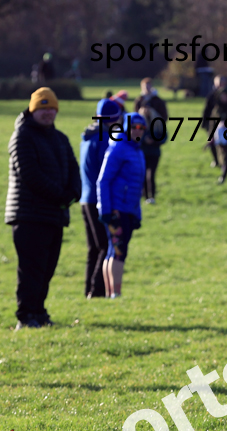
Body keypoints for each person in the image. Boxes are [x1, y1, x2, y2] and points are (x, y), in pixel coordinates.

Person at [6, 88, 81, 329]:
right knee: (31, 269)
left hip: (54, 214)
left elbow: (73, 167)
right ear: (32, 109)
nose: (48, 113)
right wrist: (61, 196)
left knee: (47, 269)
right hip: (28, 215)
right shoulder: (22, 136)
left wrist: (74, 192)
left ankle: (39, 312)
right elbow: (30, 174)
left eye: (51, 108)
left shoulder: (59, 138)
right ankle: (26, 316)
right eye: (42, 108)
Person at [97, 113, 145, 298]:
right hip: (117, 210)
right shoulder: (118, 148)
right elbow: (103, 180)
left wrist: (137, 213)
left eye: (141, 128)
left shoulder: (137, 150)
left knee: (114, 250)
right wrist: (106, 210)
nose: (138, 131)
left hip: (128, 210)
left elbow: (137, 185)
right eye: (134, 127)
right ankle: (115, 293)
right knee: (118, 251)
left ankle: (112, 293)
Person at [80, 98, 123, 299]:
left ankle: (88, 289)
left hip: (85, 197)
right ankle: (96, 292)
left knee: (93, 248)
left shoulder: (87, 136)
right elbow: (105, 174)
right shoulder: (106, 139)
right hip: (99, 199)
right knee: (105, 246)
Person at [134, 78, 168, 204]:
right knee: (142, 173)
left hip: (154, 149)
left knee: (151, 174)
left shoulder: (158, 101)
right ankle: (144, 195)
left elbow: (164, 120)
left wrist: (153, 139)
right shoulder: (139, 100)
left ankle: (151, 196)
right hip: (142, 148)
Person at [203, 75, 225, 168]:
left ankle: (223, 160)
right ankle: (216, 160)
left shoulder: (226, 95)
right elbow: (206, 110)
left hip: (223, 123)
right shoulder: (211, 96)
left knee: (222, 143)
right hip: (212, 123)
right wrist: (205, 123)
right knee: (212, 142)